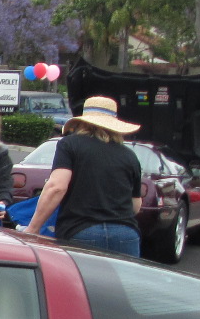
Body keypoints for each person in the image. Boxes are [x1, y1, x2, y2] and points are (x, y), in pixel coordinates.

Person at [19, 95, 143, 256]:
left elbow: (57, 187)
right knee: (124, 282)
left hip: (81, 231)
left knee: (83, 282)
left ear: (82, 122)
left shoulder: (69, 144)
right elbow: (135, 205)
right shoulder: (129, 156)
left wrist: (33, 228)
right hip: (125, 234)